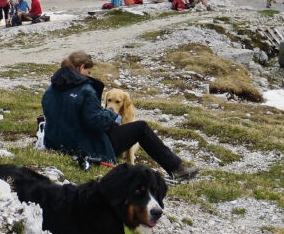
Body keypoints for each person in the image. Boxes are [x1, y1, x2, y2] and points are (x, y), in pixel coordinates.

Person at [43, 51, 199, 179]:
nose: (88, 76)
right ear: (81, 67)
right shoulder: (85, 90)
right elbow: (96, 122)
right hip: (87, 147)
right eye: (88, 72)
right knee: (141, 128)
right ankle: (176, 169)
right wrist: (110, 114)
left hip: (57, 144)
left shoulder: (50, 91)